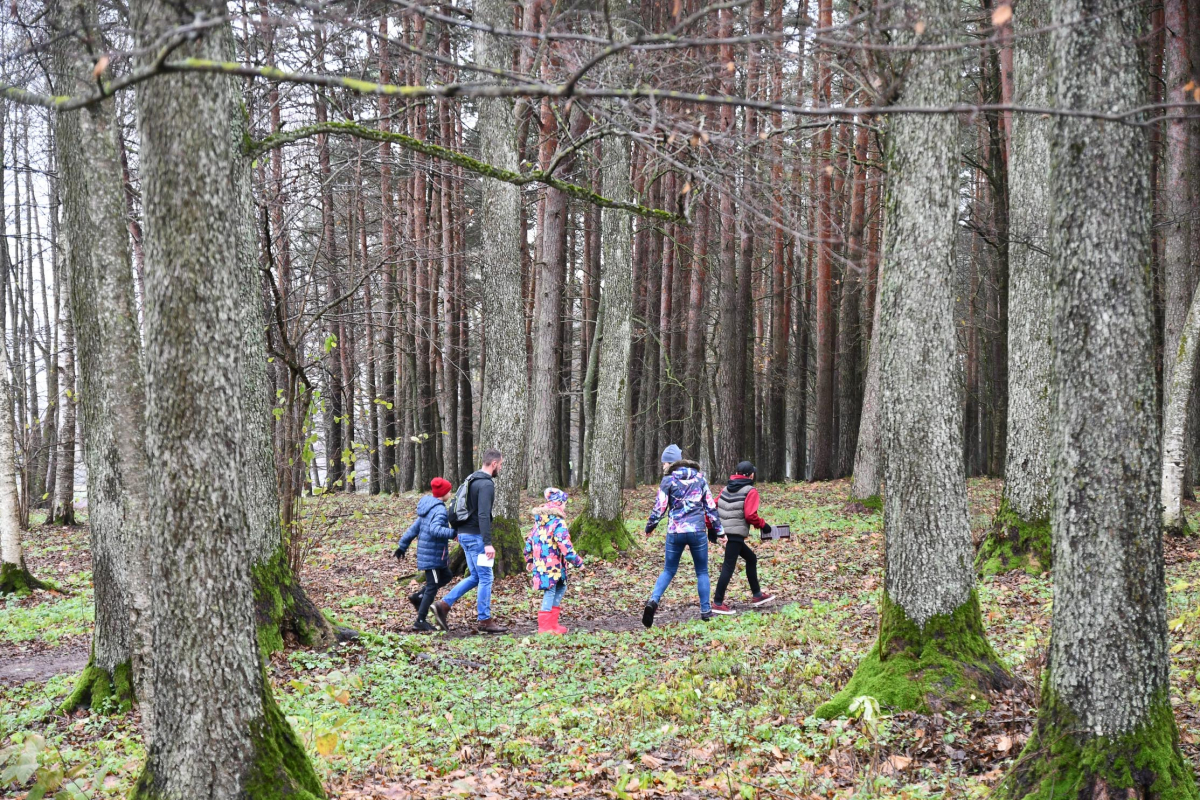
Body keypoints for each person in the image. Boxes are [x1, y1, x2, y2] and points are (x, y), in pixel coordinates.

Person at [642, 444, 721, 627]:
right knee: (702, 571)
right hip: (697, 532)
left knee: (668, 570)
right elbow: (710, 506)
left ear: (672, 463)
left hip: (675, 532)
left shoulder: (668, 481)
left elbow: (659, 508)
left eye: (664, 463)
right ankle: (706, 610)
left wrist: (650, 527)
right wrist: (719, 531)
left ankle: (653, 601)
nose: (662, 466)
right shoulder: (700, 479)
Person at [435, 449, 508, 634]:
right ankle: (485, 620)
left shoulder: (470, 480)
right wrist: (487, 542)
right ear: (493, 464)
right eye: (500, 465)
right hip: (476, 538)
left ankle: (443, 606)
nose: (500, 467)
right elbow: (483, 514)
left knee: (475, 576)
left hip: (464, 536)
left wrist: (459, 531)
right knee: (486, 577)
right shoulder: (486, 485)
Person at [711, 461, 776, 615]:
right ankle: (717, 602)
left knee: (751, 558)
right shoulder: (750, 491)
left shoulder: (726, 488)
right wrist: (763, 525)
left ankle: (757, 595)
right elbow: (750, 515)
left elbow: (714, 505)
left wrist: (713, 527)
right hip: (735, 534)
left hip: (726, 533)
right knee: (728, 566)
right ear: (751, 475)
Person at [395, 477, 457, 632]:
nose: (451, 493)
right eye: (449, 491)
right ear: (443, 494)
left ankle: (418, 597)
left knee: (447, 576)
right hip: (433, 556)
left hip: (433, 555)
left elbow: (414, 529)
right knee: (432, 587)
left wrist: (402, 546)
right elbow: (434, 530)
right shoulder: (439, 510)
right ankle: (420, 621)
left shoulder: (428, 508)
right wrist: (453, 533)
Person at [525, 487, 584, 635]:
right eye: (564, 503)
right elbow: (565, 544)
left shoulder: (539, 521)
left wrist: (529, 558)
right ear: (559, 503)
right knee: (550, 590)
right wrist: (578, 562)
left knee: (560, 588)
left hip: (544, 564)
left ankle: (553, 624)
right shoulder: (558, 522)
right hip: (553, 565)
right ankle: (545, 627)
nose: (565, 506)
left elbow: (529, 540)